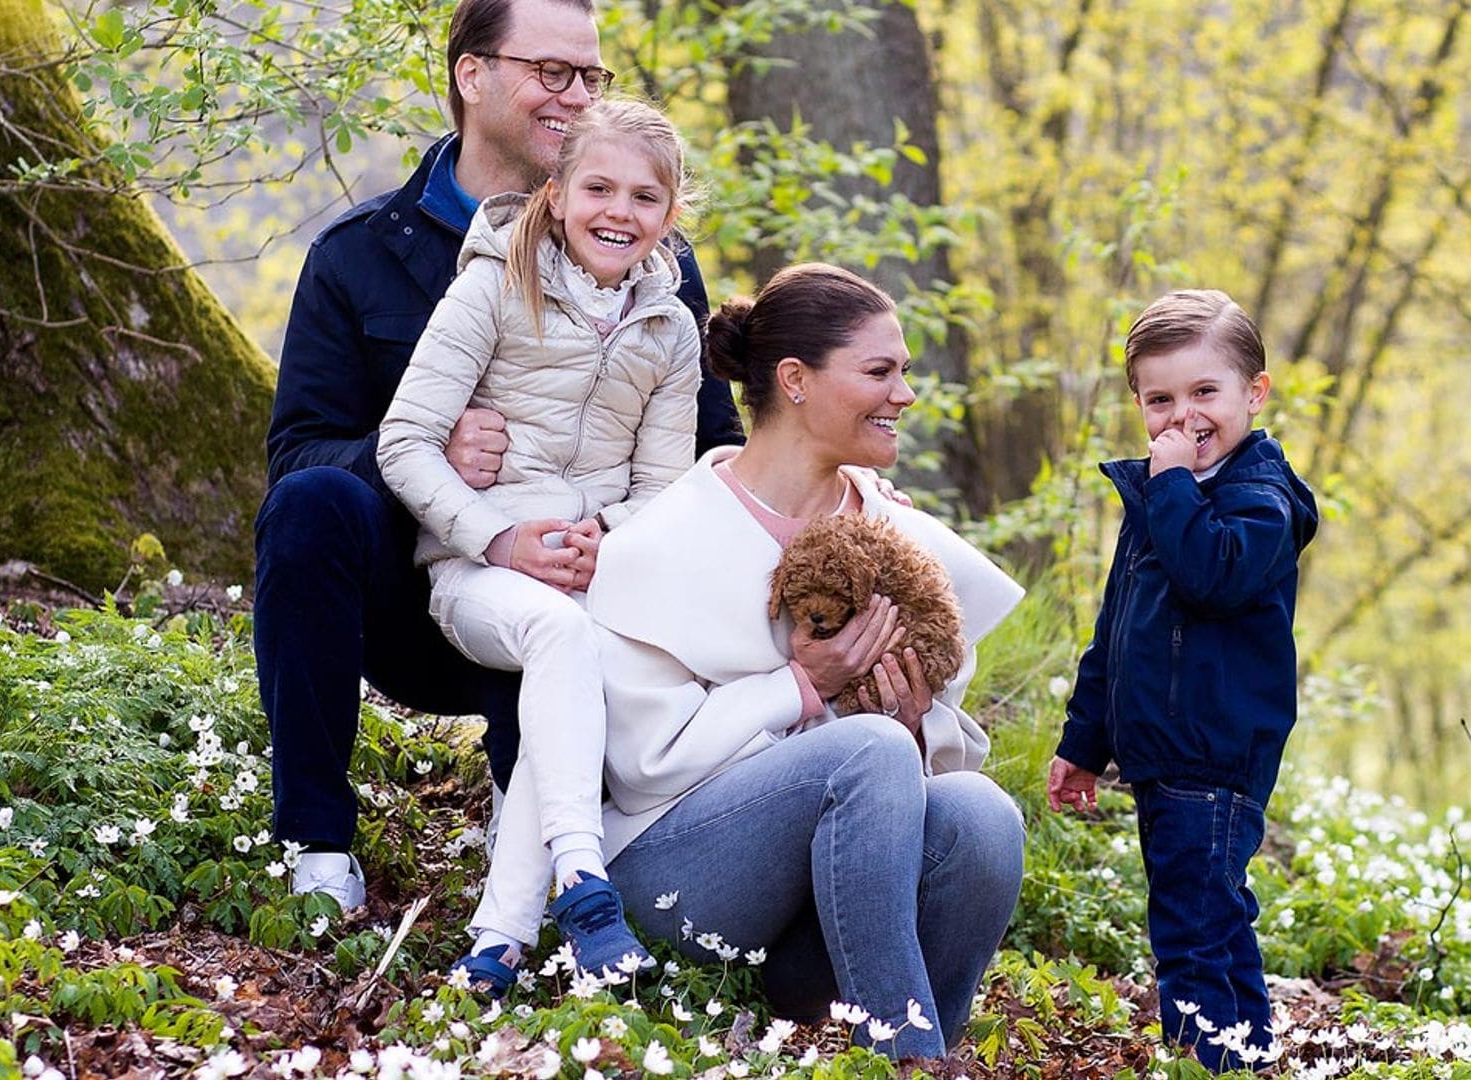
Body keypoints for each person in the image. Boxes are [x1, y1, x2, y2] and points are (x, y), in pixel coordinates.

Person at [254, 0, 742, 910]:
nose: (573, 96)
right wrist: (439, 460)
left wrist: (836, 490)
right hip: (416, 590)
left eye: (590, 76)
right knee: (311, 504)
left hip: (582, 583)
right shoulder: (361, 255)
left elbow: (713, 450)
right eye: (548, 72)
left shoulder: (655, 274)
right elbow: (297, 453)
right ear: (471, 76)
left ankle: (543, 817)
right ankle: (318, 844)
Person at [545, 263, 1027, 1060]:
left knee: (982, 817)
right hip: (680, 882)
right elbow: (643, 768)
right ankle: (912, 1061)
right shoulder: (662, 541)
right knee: (864, 752)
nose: (904, 394)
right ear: (795, 381)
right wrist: (803, 688)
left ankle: (897, 1035)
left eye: (903, 372)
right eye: (880, 371)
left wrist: (908, 726)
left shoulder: (897, 535)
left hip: (821, 917)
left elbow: (923, 761)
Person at [378, 97, 701, 987]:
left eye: (644, 198)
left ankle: (496, 943)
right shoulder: (491, 283)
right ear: (555, 195)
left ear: (669, 217)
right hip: (479, 578)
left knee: (580, 665)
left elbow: (663, 486)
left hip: (593, 578)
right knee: (562, 638)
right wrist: (499, 539)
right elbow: (403, 442)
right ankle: (585, 883)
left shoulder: (670, 331)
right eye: (598, 187)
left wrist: (613, 537)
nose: (618, 212)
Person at [1046, 289, 1318, 1073]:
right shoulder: (1164, 496)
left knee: (1192, 931)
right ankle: (1244, 1058)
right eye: (1159, 398)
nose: (1182, 416)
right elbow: (1117, 628)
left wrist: (1168, 487)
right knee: (1212, 922)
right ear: (1136, 402)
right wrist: (1083, 742)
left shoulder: (1260, 499)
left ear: (1253, 393)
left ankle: (1207, 1063)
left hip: (1216, 751)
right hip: (1166, 754)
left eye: (1206, 393)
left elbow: (1213, 578)